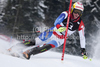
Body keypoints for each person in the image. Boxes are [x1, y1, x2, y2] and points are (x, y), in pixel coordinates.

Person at [23, 1, 87, 59]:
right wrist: (59, 27)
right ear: (72, 9)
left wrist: (83, 49)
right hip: (52, 31)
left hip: (60, 39)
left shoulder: (80, 24)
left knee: (48, 46)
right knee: (37, 42)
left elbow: (82, 37)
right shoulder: (66, 14)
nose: (77, 14)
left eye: (79, 12)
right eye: (76, 11)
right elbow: (56, 21)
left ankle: (29, 53)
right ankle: (17, 46)